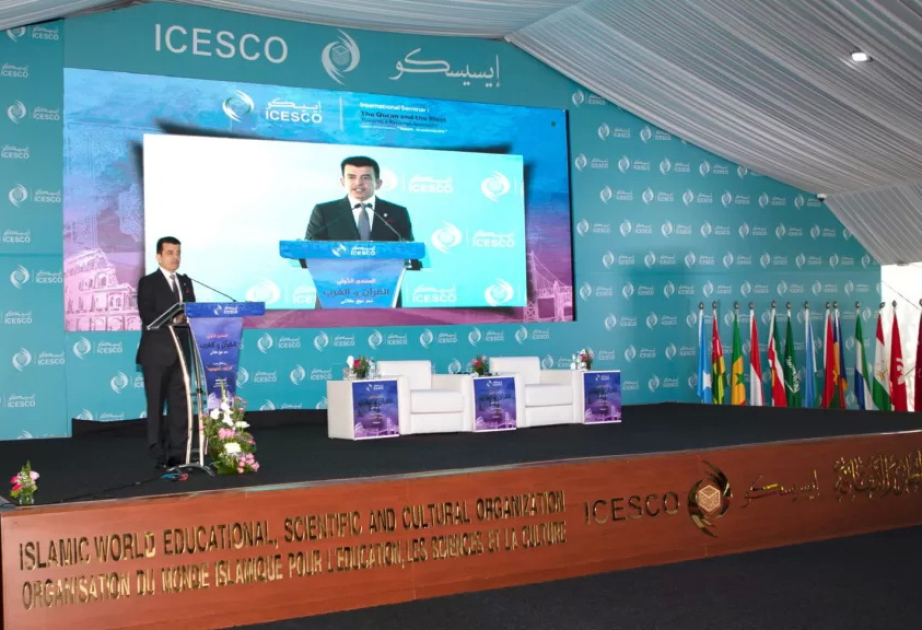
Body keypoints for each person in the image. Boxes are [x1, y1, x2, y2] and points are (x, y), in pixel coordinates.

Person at [136, 236, 196, 470]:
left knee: (180, 404)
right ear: (158, 256)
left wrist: (187, 317)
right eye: (170, 253)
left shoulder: (185, 282)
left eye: (178, 252)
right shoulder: (148, 282)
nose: (175, 257)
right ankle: (158, 452)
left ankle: (178, 453)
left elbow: (192, 309)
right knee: (156, 403)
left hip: (181, 352)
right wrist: (174, 319)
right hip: (156, 353)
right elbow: (147, 315)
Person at [306, 156, 416, 245]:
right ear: (343, 182)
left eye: (366, 177)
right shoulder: (325, 212)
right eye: (351, 177)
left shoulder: (397, 212)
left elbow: (409, 249)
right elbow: (310, 249)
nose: (358, 183)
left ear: (378, 183)